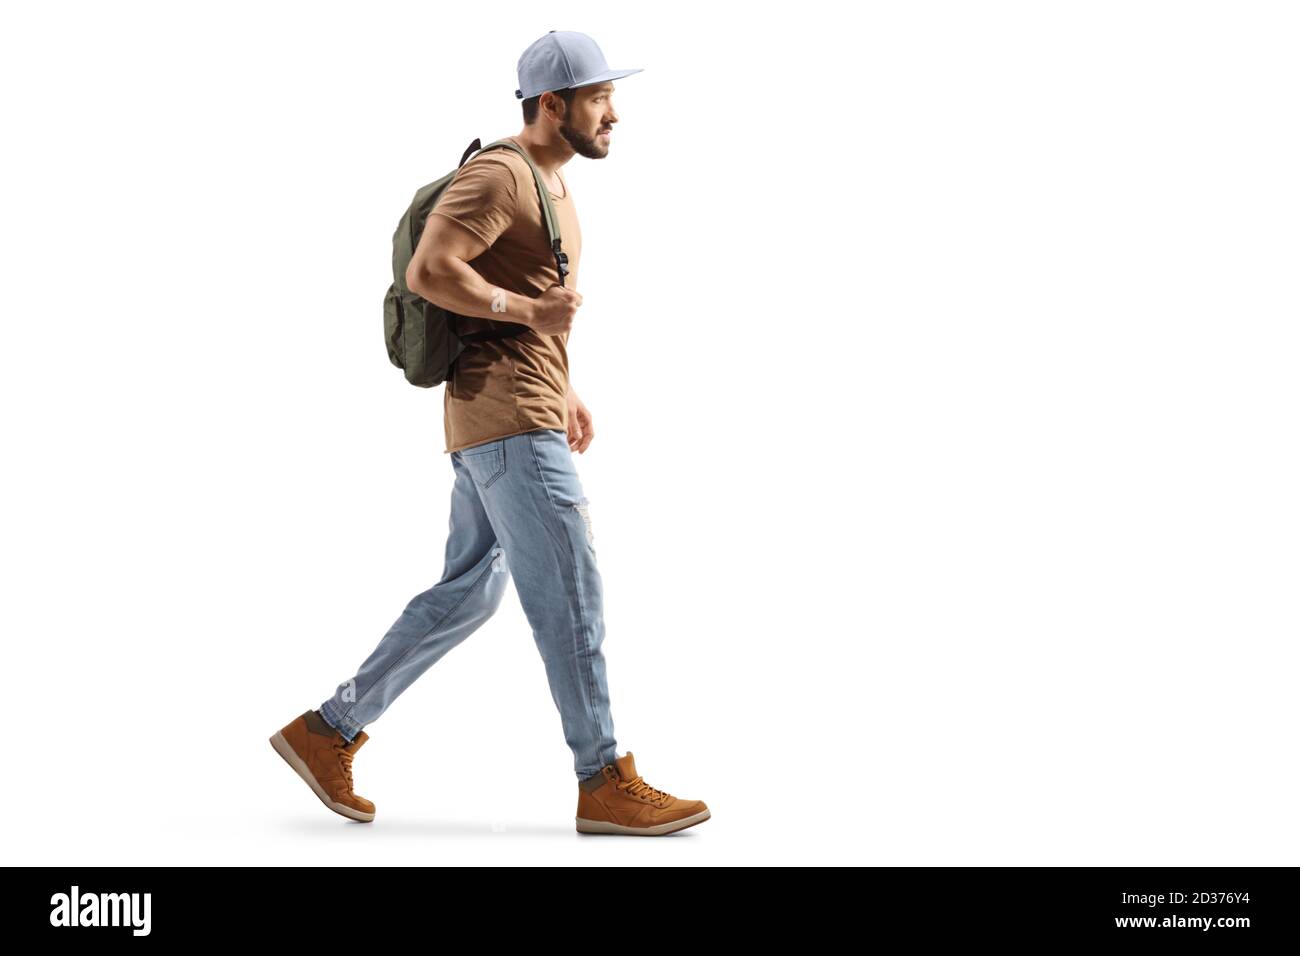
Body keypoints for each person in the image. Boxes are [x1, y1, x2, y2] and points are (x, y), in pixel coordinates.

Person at [269, 31, 710, 837]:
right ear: (554, 104)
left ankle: (325, 732)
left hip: (510, 415)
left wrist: (566, 384)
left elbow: (524, 291)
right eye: (600, 99)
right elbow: (431, 270)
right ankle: (603, 776)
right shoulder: (502, 174)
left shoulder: (548, 182)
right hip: (509, 424)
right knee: (571, 592)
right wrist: (528, 317)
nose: (615, 114)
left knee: (468, 592)